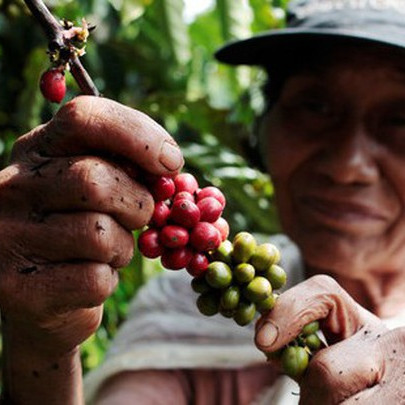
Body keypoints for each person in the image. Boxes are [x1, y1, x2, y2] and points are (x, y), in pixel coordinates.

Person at [2, 0, 405, 403]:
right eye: (315, 107)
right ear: (263, 131)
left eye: (400, 119)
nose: (347, 166)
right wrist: (42, 346)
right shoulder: (181, 310)